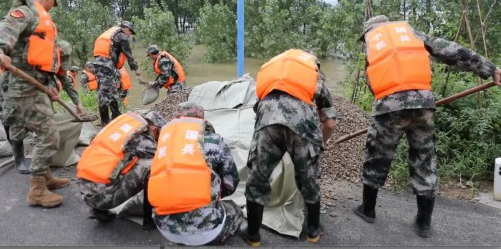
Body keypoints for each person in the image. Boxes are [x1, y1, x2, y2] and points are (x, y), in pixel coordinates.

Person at [353, 15, 501, 238]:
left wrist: (387, 102)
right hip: (423, 103)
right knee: (424, 158)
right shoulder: (411, 34)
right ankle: (423, 224)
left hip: (389, 105)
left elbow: (371, 81)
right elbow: (450, 50)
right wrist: (489, 68)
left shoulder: (374, 43)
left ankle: (368, 209)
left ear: (368, 32)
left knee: (377, 157)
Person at [240, 49, 337, 246]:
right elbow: (330, 123)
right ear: (314, 63)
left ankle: (253, 236)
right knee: (309, 180)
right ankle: (313, 232)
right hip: (302, 126)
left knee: (258, 178)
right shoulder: (314, 74)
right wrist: (321, 145)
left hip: (267, 121)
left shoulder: (273, 71)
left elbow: (258, 110)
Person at [0, 0, 70, 208]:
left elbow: (47, 59)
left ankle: (45, 178)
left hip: (37, 85)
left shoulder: (41, 19)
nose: (53, 7)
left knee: (45, 133)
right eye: (53, 3)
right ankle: (37, 191)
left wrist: (52, 88)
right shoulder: (27, 12)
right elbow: (3, 29)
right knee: (50, 137)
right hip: (25, 88)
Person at [149, 102, 243, 246]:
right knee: (234, 208)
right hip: (207, 231)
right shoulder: (214, 140)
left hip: (164, 228)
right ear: (201, 120)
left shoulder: (164, 143)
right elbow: (231, 182)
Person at [77, 110, 166, 227]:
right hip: (102, 197)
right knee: (153, 165)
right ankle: (150, 218)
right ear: (154, 129)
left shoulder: (120, 128)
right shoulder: (141, 139)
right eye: (158, 136)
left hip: (86, 191)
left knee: (126, 161)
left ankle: (98, 210)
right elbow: (164, 157)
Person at [93, 21, 141, 126]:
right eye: (130, 32)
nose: (130, 35)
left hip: (99, 64)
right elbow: (129, 54)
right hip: (106, 65)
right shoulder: (121, 36)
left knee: (109, 90)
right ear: (126, 29)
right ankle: (106, 120)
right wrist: (136, 69)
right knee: (106, 92)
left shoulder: (112, 35)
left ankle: (114, 116)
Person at [0, 66, 30, 174]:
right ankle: (19, 159)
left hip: (13, 85)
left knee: (23, 116)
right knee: (8, 117)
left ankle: (17, 142)